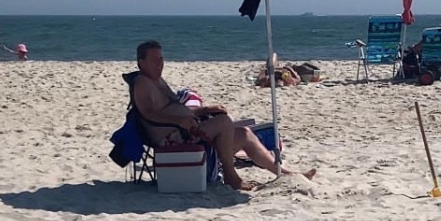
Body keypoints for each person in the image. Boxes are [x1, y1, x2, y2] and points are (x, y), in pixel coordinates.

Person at [130, 40, 315, 192]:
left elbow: (176, 108)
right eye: (154, 60)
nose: (159, 64)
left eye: (161, 59)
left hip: (186, 130)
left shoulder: (158, 81)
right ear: (141, 63)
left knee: (244, 134)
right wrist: (179, 120)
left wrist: (205, 110)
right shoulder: (142, 83)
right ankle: (230, 175)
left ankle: (285, 173)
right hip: (171, 139)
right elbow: (149, 114)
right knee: (224, 122)